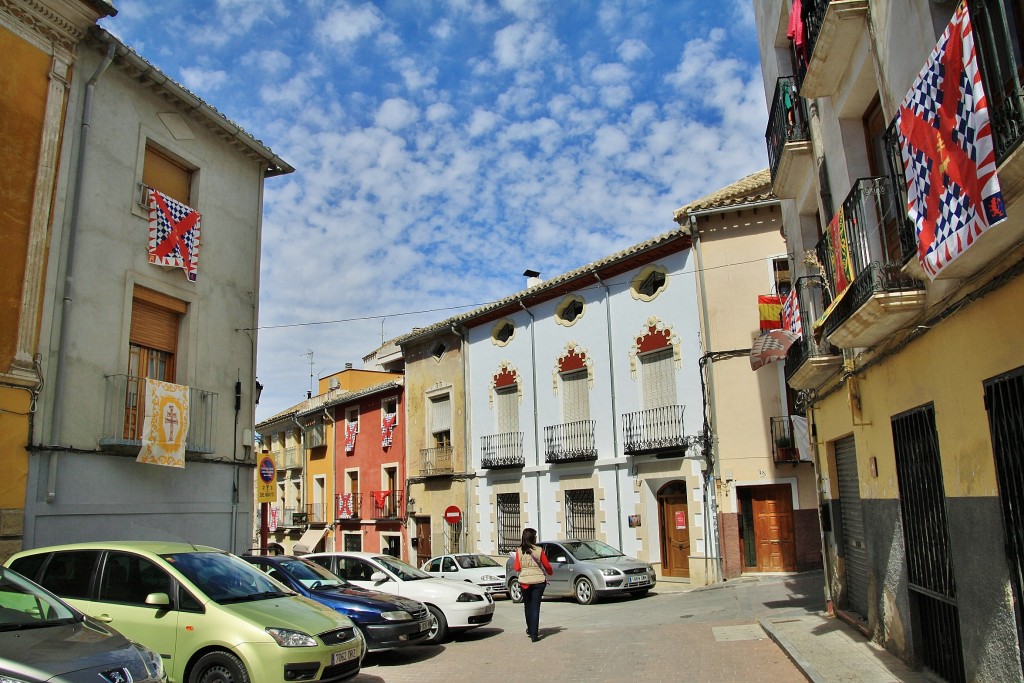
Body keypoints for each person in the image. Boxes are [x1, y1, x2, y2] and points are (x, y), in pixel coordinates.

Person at [514, 528, 552, 642]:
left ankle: (530, 630)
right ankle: (534, 635)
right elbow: (547, 566)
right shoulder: (539, 550)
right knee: (535, 607)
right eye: (535, 536)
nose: (536, 538)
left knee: (527, 606)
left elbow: (517, 568)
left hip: (524, 582)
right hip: (538, 581)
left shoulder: (519, 551)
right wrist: (550, 573)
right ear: (532, 538)